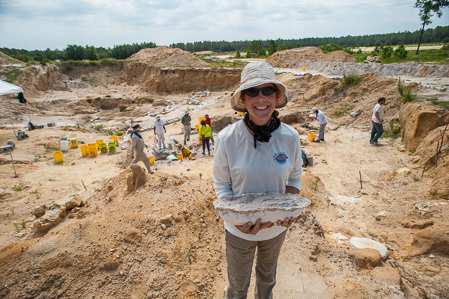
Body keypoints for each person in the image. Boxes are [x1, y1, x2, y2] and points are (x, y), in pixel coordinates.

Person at [213, 61, 302, 299]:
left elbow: (294, 175)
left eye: (267, 90)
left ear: (276, 95)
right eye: (252, 91)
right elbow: (222, 185)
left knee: (267, 281)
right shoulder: (227, 139)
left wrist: (290, 209)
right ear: (243, 99)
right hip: (240, 232)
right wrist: (238, 220)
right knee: (238, 287)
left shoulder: (291, 137)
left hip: (275, 231)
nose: (260, 98)